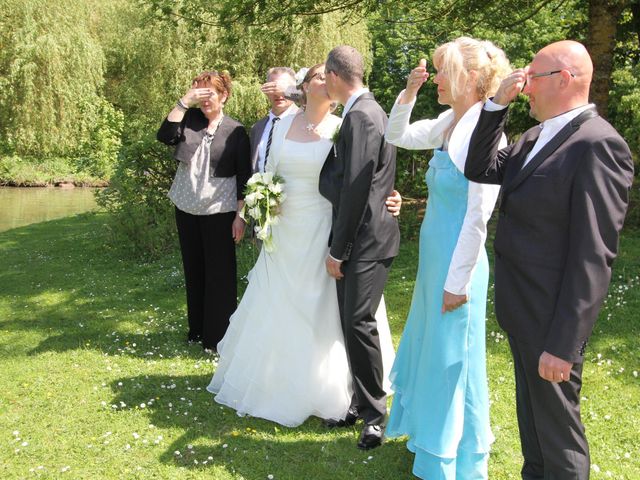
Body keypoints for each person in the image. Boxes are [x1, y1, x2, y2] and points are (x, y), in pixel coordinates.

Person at [464, 40, 634, 479]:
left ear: (564, 79)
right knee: (535, 432)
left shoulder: (598, 145)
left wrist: (564, 344)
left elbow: (592, 254)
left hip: (551, 318)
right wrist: (495, 106)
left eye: (531, 78)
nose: (524, 89)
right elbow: (478, 167)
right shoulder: (536, 136)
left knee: (559, 439)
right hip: (522, 311)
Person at [207, 64, 398, 427]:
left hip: (326, 227)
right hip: (286, 228)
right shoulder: (284, 125)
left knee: (329, 309)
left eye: (331, 76)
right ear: (306, 86)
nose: (327, 81)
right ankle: (276, 381)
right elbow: (268, 170)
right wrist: (264, 199)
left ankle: (338, 388)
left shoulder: (344, 126)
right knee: (278, 303)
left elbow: (364, 176)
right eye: (319, 77)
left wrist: (390, 197)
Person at [384, 37, 510, 479]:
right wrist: (410, 93)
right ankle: (430, 440)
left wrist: (458, 281)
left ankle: (456, 456)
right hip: (433, 261)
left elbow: (479, 216)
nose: (437, 77)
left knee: (455, 359)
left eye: (443, 71)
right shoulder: (446, 121)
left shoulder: (486, 131)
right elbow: (396, 134)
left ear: (472, 79)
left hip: (460, 265)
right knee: (432, 350)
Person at [319, 45, 401, 450]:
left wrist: (339, 249)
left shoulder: (363, 115)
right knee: (351, 323)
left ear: (334, 75)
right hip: (360, 236)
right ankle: (359, 402)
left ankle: (375, 415)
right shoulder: (364, 111)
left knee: (359, 323)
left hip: (366, 239)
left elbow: (356, 188)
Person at [156, 71, 251, 352]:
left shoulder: (235, 130)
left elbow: (244, 177)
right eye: (200, 93)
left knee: (219, 274)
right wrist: (184, 101)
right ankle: (196, 331)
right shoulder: (189, 120)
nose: (205, 100)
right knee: (194, 270)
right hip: (186, 207)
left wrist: (240, 216)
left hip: (219, 210)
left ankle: (217, 337)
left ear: (224, 95)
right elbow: (164, 136)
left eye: (210, 93)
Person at [250, 67, 299, 173]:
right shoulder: (257, 128)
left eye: (282, 87)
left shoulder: (304, 121)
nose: (278, 93)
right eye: (273, 87)